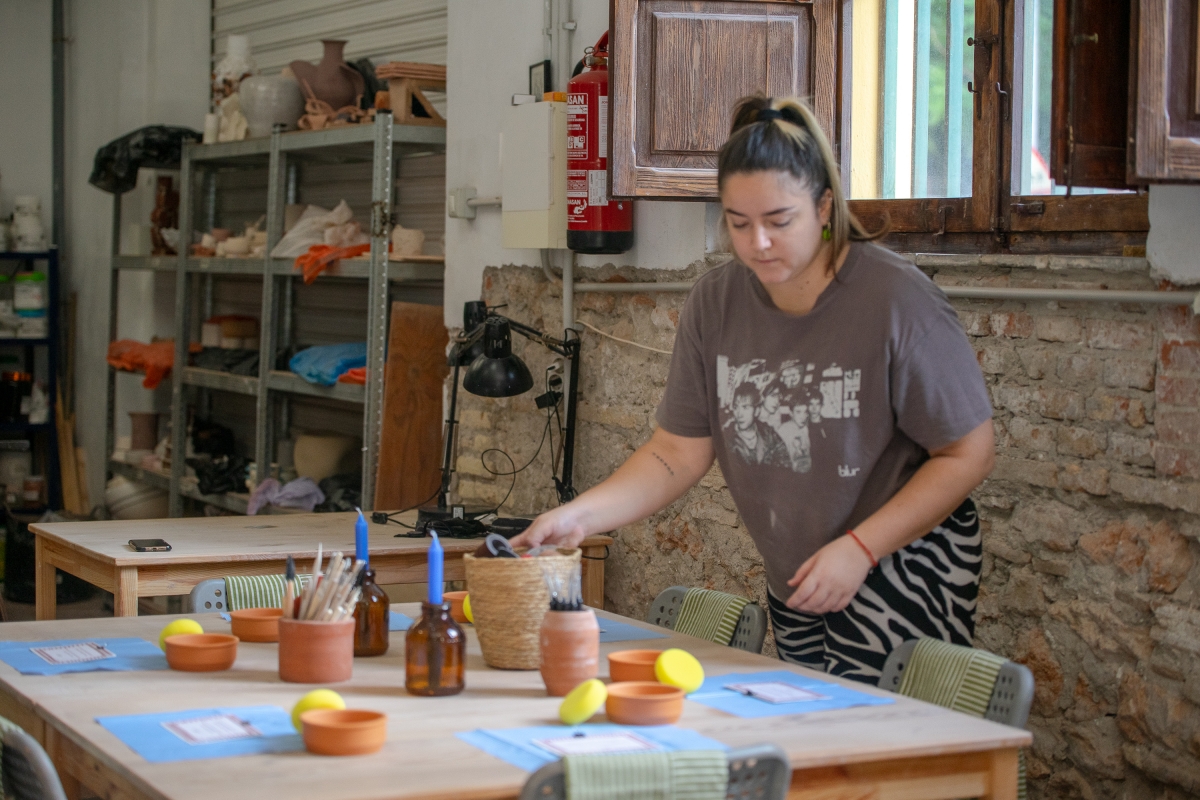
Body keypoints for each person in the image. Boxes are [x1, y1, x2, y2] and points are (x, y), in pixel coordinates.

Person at [512, 95, 995, 683]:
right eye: (739, 223)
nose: (757, 243)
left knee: (867, 747)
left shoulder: (896, 301)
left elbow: (969, 451)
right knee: (810, 742)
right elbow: (675, 452)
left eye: (778, 221)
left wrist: (862, 549)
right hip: (798, 568)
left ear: (823, 206)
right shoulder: (715, 303)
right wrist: (580, 517)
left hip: (903, 559)